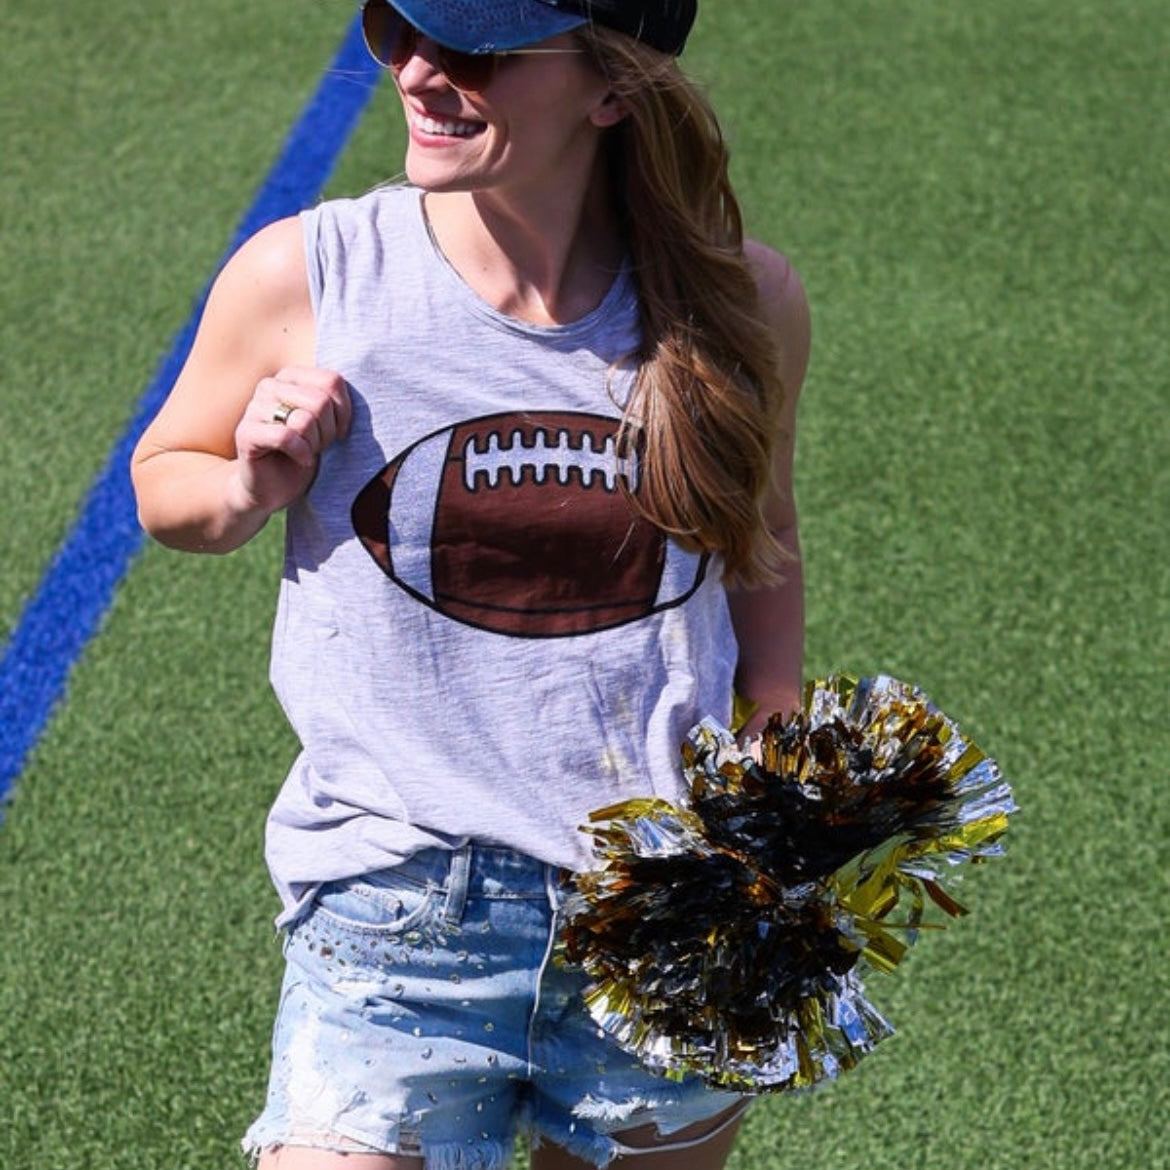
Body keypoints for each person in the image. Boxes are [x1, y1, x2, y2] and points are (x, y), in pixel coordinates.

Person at [131, 0, 810, 1166]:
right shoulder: (313, 274)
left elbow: (764, 525)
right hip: (397, 902)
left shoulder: (740, 301)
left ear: (612, 89)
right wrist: (246, 483)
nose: (421, 73)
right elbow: (165, 479)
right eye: (400, 31)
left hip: (660, 903)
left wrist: (780, 717)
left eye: (477, 50)